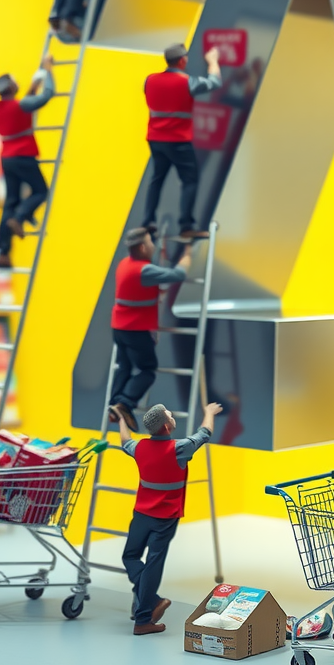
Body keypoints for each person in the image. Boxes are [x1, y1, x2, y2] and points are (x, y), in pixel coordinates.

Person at [116, 399, 222, 635]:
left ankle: (149, 600)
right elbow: (204, 433)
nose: (173, 417)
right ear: (166, 426)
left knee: (130, 556)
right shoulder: (179, 448)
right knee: (154, 562)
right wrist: (209, 412)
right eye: (170, 415)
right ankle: (144, 617)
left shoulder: (140, 447)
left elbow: (125, 443)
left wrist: (122, 420)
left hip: (141, 514)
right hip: (166, 517)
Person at [109, 228, 193, 431]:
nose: (153, 246)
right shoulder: (144, 271)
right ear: (142, 247)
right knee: (147, 370)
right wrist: (187, 255)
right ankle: (125, 403)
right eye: (150, 242)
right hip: (135, 329)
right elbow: (178, 274)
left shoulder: (124, 264)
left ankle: (113, 405)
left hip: (119, 326)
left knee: (125, 366)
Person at [142, 43, 222, 239]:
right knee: (190, 180)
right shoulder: (187, 82)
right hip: (178, 141)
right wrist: (213, 61)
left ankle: (147, 222)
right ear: (182, 60)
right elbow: (215, 83)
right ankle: (186, 225)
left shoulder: (149, 80)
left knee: (157, 179)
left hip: (155, 139)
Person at [0, 56, 55, 269]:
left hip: (7, 158)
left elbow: (21, 106)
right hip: (23, 155)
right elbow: (47, 95)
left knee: (11, 201)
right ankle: (20, 217)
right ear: (11, 86)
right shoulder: (21, 105)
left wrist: (32, 85)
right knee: (40, 191)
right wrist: (48, 71)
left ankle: (3, 251)